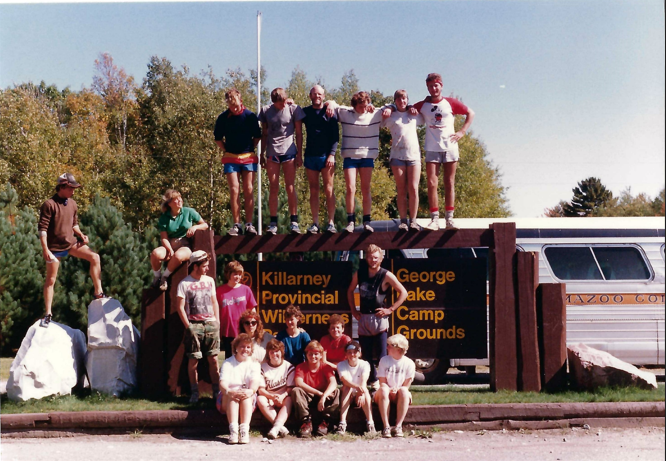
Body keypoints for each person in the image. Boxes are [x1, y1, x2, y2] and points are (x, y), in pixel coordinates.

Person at [409, 73, 475, 230]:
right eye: (430, 86)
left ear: (441, 85)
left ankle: (449, 219)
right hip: (432, 148)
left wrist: (462, 132)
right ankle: (434, 219)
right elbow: (406, 108)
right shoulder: (422, 105)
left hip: (450, 147)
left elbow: (470, 113)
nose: (433, 89)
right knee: (432, 183)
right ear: (427, 88)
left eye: (436, 85)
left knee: (449, 182)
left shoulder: (450, 103)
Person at [38, 173, 105, 328]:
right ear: (62, 187)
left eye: (75, 188)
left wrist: (81, 235)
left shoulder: (73, 204)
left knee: (95, 257)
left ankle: (98, 293)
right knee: (51, 280)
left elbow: (74, 224)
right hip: (53, 248)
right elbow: (42, 229)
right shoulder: (49, 204)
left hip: (71, 244)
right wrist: (45, 249)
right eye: (71, 188)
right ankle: (48, 313)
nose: (73, 191)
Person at [347, 244, 408, 386]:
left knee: (382, 355)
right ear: (366, 258)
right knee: (366, 354)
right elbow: (350, 291)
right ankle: (371, 381)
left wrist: (390, 309)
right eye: (370, 257)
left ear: (381, 258)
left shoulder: (385, 274)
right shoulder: (360, 272)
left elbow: (403, 292)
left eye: (375, 257)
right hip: (363, 318)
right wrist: (353, 310)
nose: (372, 260)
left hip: (379, 319)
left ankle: (384, 383)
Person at [325, 91, 384, 233]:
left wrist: (385, 108)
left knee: (366, 188)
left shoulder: (374, 113)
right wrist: (329, 106)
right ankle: (350, 221)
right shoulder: (346, 113)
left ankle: (367, 221)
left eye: (365, 105)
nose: (363, 109)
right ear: (354, 105)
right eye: (360, 106)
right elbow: (331, 103)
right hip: (350, 156)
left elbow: (391, 106)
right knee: (351, 188)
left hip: (367, 156)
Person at [214, 88, 262, 237]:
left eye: (236, 105)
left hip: (248, 156)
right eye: (231, 106)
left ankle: (249, 224)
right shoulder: (223, 118)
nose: (234, 109)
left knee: (248, 189)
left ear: (241, 101)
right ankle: (237, 224)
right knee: (234, 189)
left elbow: (257, 136)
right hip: (230, 158)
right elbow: (218, 138)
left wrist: (249, 148)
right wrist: (227, 149)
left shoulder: (250, 116)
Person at [175, 250, 220, 404]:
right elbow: (180, 307)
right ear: (195, 266)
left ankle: (216, 392)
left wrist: (217, 321)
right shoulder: (184, 284)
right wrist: (189, 327)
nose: (207, 268)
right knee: (193, 361)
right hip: (194, 325)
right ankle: (195, 393)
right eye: (204, 265)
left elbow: (214, 301)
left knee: (213, 359)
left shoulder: (210, 281)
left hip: (210, 324)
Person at [259, 88, 305, 235]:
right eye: (281, 102)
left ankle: (294, 221)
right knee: (274, 187)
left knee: (290, 186)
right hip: (272, 153)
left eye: (285, 100)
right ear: (274, 102)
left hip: (289, 152)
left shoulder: (293, 109)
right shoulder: (266, 111)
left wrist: (299, 154)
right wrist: (261, 153)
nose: (284, 104)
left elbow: (299, 133)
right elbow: (264, 133)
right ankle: (273, 223)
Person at [380, 90, 424, 231]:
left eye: (404, 98)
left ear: (407, 99)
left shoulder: (413, 114)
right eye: (399, 99)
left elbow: (425, 113)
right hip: (397, 156)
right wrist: (389, 107)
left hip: (414, 156)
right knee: (401, 189)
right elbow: (379, 118)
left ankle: (413, 221)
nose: (402, 101)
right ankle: (403, 221)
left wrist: (412, 107)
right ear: (395, 101)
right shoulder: (391, 115)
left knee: (413, 188)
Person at [151, 189, 208, 291]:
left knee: (178, 256)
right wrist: (169, 249)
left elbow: (205, 225)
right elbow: (164, 237)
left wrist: (194, 228)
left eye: (180, 198)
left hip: (185, 246)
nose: (179, 201)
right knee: (155, 253)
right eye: (176, 199)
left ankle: (164, 277)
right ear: (169, 203)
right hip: (170, 244)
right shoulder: (164, 218)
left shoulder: (189, 212)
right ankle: (157, 277)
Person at [301, 85, 339, 234]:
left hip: (326, 156)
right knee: (313, 190)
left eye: (320, 94)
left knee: (329, 189)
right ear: (310, 95)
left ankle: (331, 222)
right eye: (314, 94)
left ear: (324, 96)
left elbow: (336, 136)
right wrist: (289, 100)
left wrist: (332, 154)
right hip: (310, 155)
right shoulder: (305, 112)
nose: (317, 96)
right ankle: (315, 223)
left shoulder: (330, 112)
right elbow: (292, 110)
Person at [218, 333, 262, 444]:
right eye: (242, 346)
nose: (245, 349)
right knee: (233, 397)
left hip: (247, 396)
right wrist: (229, 391)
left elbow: (255, 382)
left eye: (248, 347)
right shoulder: (228, 362)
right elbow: (223, 383)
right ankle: (233, 432)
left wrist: (250, 391)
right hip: (227, 396)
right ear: (236, 348)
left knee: (247, 396)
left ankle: (244, 431)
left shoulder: (254, 364)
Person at [291, 340, 340, 437]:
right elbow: (298, 383)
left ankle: (326, 421)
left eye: (316, 354)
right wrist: (319, 394)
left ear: (321, 355)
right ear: (306, 354)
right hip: (309, 395)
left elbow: (333, 382)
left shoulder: (325, 366)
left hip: (324, 397)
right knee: (296, 391)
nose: (313, 357)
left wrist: (324, 396)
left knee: (336, 391)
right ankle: (306, 422)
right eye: (310, 354)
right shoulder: (301, 366)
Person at [375, 334, 415, 438]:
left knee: (404, 391)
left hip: (399, 394)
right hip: (385, 392)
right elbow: (382, 382)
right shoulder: (384, 360)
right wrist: (389, 389)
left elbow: (407, 385)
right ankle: (386, 426)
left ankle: (398, 426)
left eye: (389, 346)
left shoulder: (409, 363)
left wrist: (397, 389)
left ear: (398, 349)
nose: (387, 347)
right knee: (383, 389)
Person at [216, 261, 257, 358]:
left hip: (244, 330)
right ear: (228, 274)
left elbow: (253, 311)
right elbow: (216, 311)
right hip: (228, 331)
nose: (238, 277)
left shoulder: (246, 289)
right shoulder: (219, 291)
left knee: (245, 357)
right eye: (235, 274)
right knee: (230, 358)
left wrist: (253, 328)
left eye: (240, 274)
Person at [257, 338, 295, 439]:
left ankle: (275, 428)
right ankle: (279, 427)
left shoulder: (289, 367)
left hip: (283, 396)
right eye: (271, 352)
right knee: (260, 398)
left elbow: (290, 389)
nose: (274, 355)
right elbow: (261, 390)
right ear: (268, 354)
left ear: (281, 352)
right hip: (269, 396)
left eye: (277, 352)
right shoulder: (262, 367)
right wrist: (271, 396)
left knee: (289, 399)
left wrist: (282, 396)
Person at [336, 341, 376, 435]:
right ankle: (342, 423)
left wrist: (360, 393)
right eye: (349, 352)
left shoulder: (365, 364)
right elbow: (345, 380)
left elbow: (364, 380)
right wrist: (357, 388)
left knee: (365, 391)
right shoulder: (341, 365)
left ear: (359, 353)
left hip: (360, 391)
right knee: (347, 388)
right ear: (345, 354)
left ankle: (370, 423)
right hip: (348, 393)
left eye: (355, 352)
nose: (352, 354)